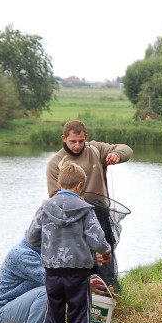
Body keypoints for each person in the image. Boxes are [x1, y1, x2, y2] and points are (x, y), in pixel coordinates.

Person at [28, 162, 112, 323]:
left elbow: (32, 236)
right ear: (80, 186)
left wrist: (48, 245)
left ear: (59, 183)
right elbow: (97, 239)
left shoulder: (45, 207)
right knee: (79, 312)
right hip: (78, 271)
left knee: (54, 311)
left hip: (52, 271)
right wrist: (106, 252)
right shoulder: (86, 209)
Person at [46, 120, 131, 292]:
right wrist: (77, 203)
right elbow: (54, 198)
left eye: (80, 141)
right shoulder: (54, 163)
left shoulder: (95, 149)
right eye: (73, 141)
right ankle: (84, 296)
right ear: (64, 138)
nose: (77, 145)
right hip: (74, 219)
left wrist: (116, 155)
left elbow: (126, 150)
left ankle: (109, 292)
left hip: (100, 214)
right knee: (83, 259)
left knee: (105, 256)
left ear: (86, 137)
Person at [0, 236, 109, 323]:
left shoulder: (45, 252)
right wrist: (83, 283)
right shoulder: (23, 254)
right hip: (0, 313)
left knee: (51, 292)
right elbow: (54, 282)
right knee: (47, 292)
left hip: (15, 309)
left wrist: (89, 258)